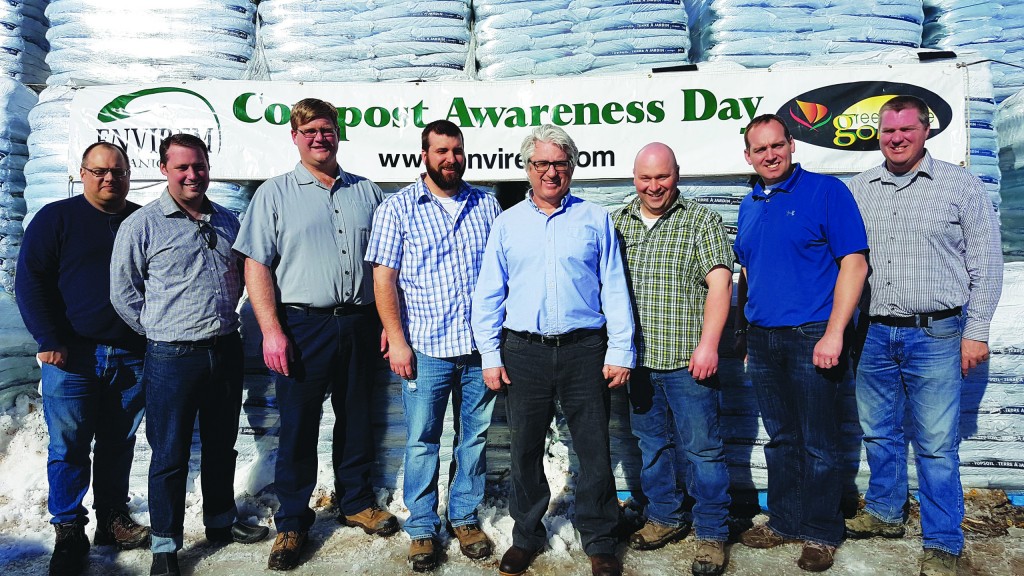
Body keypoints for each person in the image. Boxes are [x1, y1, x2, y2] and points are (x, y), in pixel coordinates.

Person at [232, 98, 395, 572]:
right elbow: (256, 264)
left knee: (358, 416)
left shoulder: (367, 192)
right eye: (310, 132)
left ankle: (356, 500)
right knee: (299, 425)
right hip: (302, 326)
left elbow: (386, 265)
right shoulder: (275, 194)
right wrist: (271, 330)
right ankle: (292, 520)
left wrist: (388, 323)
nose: (320, 138)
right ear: (295, 137)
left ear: (337, 133)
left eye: (326, 129)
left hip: (361, 321)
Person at [845, 95, 1003, 576]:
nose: (896, 139)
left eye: (906, 130)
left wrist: (975, 332)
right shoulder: (857, 189)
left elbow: (986, 264)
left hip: (935, 334)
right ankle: (887, 512)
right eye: (887, 131)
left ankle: (942, 539)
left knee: (936, 443)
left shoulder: (960, 186)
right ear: (878, 134)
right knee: (879, 431)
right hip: (872, 334)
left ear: (926, 131)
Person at [472, 125, 635, 576]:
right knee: (524, 448)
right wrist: (490, 355)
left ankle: (600, 539)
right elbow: (489, 294)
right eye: (541, 163)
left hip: (585, 349)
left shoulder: (595, 219)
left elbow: (614, 288)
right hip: (524, 351)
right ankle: (526, 535)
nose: (550, 172)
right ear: (527, 168)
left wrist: (620, 349)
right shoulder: (507, 223)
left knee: (594, 448)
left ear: (572, 168)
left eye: (559, 164)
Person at [110, 134, 269, 576]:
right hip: (171, 357)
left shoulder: (227, 222)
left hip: (224, 349)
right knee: (169, 453)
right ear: (164, 170)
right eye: (182, 167)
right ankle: (165, 545)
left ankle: (220, 522)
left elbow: (244, 275)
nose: (192, 175)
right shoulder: (142, 225)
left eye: (198, 166)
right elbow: (123, 293)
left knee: (221, 444)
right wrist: (161, 329)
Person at [732, 114, 868, 572]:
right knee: (782, 437)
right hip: (764, 339)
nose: (769, 155)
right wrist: (749, 334)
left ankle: (821, 532)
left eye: (777, 145)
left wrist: (834, 332)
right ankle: (784, 520)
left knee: (818, 441)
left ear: (791, 146)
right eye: (759, 149)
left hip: (813, 334)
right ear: (747, 156)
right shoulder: (750, 203)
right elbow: (749, 273)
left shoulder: (826, 193)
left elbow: (854, 265)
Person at [365, 119, 502, 572]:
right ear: (424, 154)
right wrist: (398, 340)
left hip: (479, 348)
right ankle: (422, 527)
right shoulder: (398, 208)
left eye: (457, 150)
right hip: (425, 347)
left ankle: (464, 517)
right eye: (441, 150)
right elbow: (383, 278)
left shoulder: (486, 203)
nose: (451, 159)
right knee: (422, 440)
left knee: (474, 438)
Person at [16, 142, 150, 576]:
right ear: (82, 172)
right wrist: (48, 337)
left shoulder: (141, 218)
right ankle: (69, 529)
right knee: (69, 446)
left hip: (132, 354)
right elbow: (30, 281)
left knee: (118, 443)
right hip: (73, 356)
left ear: (129, 173)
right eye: (99, 171)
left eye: (118, 171)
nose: (109, 178)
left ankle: (112, 520)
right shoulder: (56, 218)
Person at [611, 143, 733, 576]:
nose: (654, 186)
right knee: (652, 446)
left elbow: (720, 286)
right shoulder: (618, 222)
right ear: (634, 178)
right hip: (639, 363)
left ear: (676, 174)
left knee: (703, 450)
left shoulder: (701, 220)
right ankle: (664, 516)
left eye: (662, 176)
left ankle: (713, 532)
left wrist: (709, 344)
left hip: (687, 361)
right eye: (645, 178)